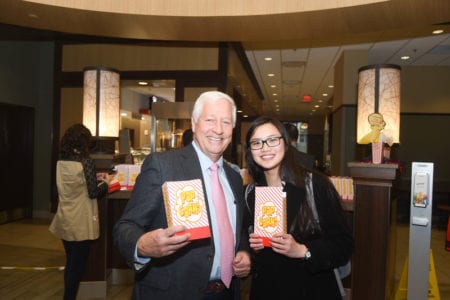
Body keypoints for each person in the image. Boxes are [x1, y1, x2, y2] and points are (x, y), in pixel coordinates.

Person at [113, 91, 251, 300]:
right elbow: (125, 227)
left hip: (226, 293)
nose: (218, 129)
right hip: (173, 292)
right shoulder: (163, 166)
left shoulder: (233, 177)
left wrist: (243, 252)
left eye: (226, 121)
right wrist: (142, 245)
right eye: (210, 120)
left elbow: (235, 228)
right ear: (194, 124)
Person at [244, 116, 353, 300]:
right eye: (257, 143)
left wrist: (303, 250)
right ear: (250, 150)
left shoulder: (315, 185)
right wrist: (250, 251)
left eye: (272, 140)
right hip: (267, 289)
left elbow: (344, 244)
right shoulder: (250, 193)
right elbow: (252, 253)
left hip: (312, 289)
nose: (265, 148)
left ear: (285, 143)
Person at [49, 123, 114, 300]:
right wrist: (107, 182)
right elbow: (94, 192)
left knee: (70, 263)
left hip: (65, 218)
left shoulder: (61, 161)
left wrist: (95, 177)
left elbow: (75, 184)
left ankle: (67, 296)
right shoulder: (86, 162)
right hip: (81, 221)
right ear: (84, 142)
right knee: (77, 267)